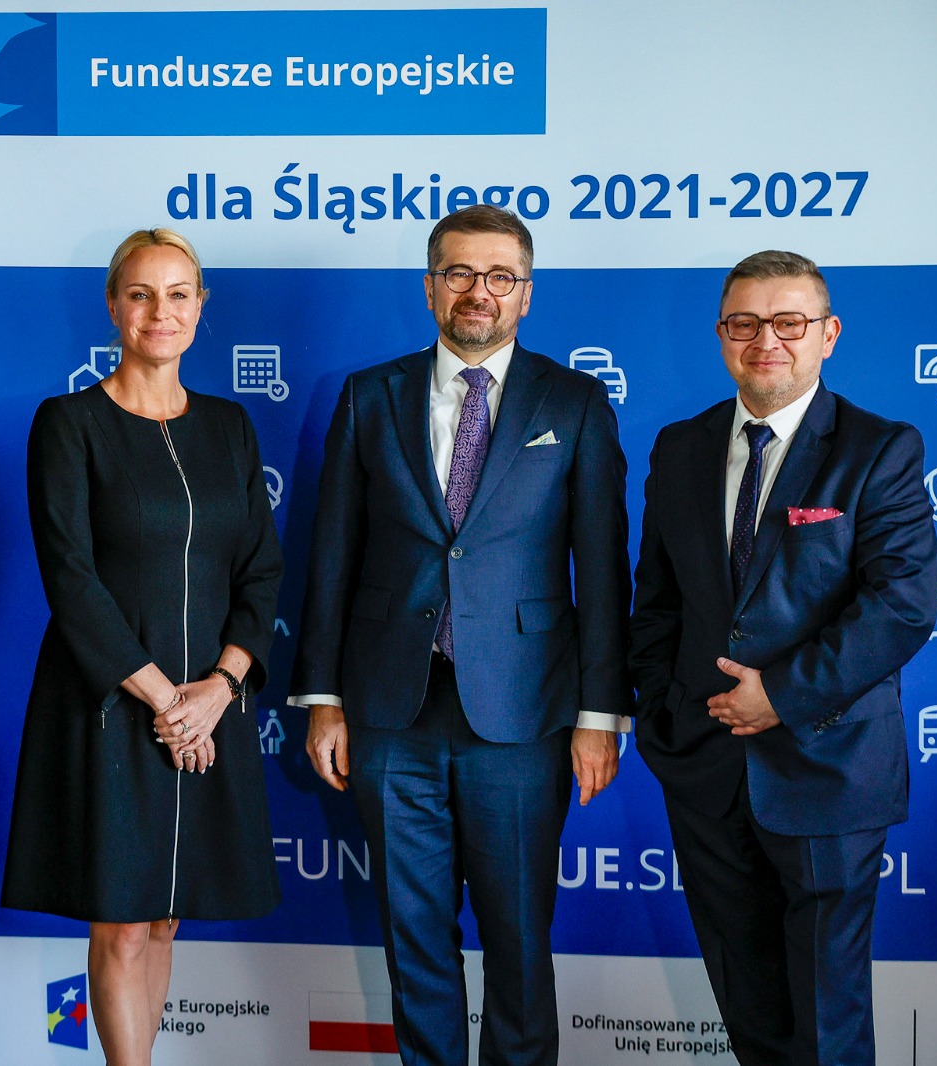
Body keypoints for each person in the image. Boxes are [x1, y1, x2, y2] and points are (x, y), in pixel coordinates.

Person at [291, 205, 632, 1065]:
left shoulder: (574, 402)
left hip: (524, 714)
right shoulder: (370, 395)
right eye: (459, 273)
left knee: (518, 940)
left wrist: (600, 714)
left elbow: (602, 568)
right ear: (430, 286)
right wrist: (323, 698)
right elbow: (331, 554)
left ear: (527, 293)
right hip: (388, 714)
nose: (479, 291)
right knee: (414, 941)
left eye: (500, 276)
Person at [629, 250, 937, 1065]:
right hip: (705, 767)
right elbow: (657, 600)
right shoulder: (680, 447)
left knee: (828, 1019)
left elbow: (902, 606)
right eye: (744, 323)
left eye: (788, 322)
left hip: (828, 767)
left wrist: (783, 695)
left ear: (827, 334)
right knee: (749, 1012)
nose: (765, 340)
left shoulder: (878, 449)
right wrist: (661, 716)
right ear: (721, 335)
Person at [1, 228, 284, 1066]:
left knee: (165, 918)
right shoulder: (69, 423)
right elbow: (71, 579)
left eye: (179, 294)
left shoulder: (230, 426)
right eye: (141, 294)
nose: (161, 311)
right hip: (113, 707)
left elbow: (262, 571)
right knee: (123, 923)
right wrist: (167, 701)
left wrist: (219, 689)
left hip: (211, 708)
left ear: (201, 307)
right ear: (113, 306)